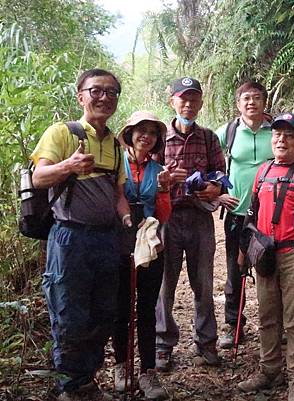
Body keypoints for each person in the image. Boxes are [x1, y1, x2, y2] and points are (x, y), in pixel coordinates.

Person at [31, 68, 130, 400]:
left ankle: (87, 379)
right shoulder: (62, 133)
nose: (104, 98)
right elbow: (39, 177)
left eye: (111, 92)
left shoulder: (115, 144)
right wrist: (68, 167)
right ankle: (70, 387)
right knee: (69, 314)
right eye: (96, 91)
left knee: (104, 312)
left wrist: (130, 221)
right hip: (70, 239)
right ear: (81, 95)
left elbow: (118, 195)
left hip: (106, 239)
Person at [237, 113, 294, 401]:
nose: (281, 140)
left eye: (290, 135)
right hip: (265, 252)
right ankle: (269, 369)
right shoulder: (262, 171)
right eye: (277, 135)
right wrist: (244, 252)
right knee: (267, 314)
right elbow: (251, 214)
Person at [215, 81, 294, 349]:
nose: (251, 103)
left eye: (257, 98)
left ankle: (279, 325)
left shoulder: (279, 131)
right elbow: (209, 156)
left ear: (265, 102)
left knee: (276, 271)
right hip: (238, 213)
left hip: (274, 218)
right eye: (246, 98)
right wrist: (216, 193)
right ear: (238, 103)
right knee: (237, 269)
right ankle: (233, 325)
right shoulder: (230, 131)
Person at [154, 77, 226, 371]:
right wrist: (165, 180)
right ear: (172, 101)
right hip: (167, 218)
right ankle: (162, 345)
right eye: (183, 99)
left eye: (194, 99)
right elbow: (146, 176)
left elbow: (221, 175)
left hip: (199, 218)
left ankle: (206, 342)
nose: (188, 104)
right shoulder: (159, 137)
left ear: (200, 104)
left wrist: (213, 188)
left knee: (204, 283)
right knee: (164, 285)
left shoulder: (208, 138)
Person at [112, 111, 171, 400]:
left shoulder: (158, 169)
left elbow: (163, 214)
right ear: (130, 133)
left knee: (147, 307)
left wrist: (163, 191)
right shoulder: (117, 163)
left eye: (152, 132)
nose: (146, 136)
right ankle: (121, 366)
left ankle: (148, 371)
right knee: (121, 306)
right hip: (119, 241)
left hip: (149, 242)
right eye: (140, 130)